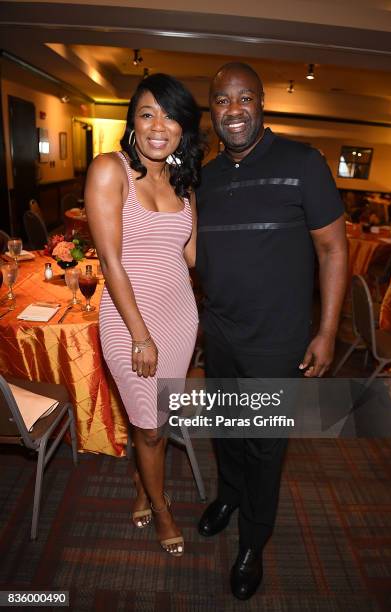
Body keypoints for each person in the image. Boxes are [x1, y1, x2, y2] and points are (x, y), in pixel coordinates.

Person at [195, 63, 348, 600]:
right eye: (221, 101)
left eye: (244, 99)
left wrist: (327, 332)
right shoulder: (206, 176)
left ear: (262, 104)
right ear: (211, 111)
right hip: (220, 333)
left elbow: (333, 250)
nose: (233, 111)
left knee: (263, 445)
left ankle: (253, 540)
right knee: (227, 429)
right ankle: (229, 495)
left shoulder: (303, 163)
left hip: (276, 341)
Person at [85, 74, 203, 557]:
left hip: (180, 316)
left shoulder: (180, 181)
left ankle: (142, 483)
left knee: (152, 418)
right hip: (131, 320)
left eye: (171, 116)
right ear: (132, 121)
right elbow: (111, 260)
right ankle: (161, 507)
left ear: (183, 129)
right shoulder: (109, 169)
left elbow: (191, 257)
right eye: (148, 113)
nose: (160, 125)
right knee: (152, 426)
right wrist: (140, 336)